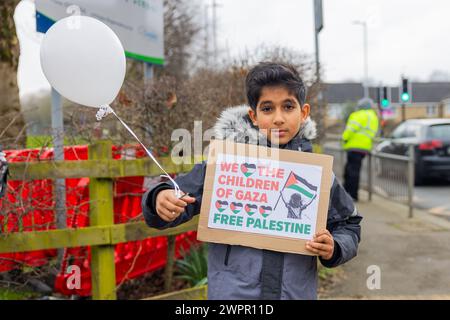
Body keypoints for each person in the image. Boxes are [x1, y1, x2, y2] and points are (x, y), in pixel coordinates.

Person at [142, 62, 362, 300]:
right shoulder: (226, 166)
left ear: (304, 112)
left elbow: (349, 225)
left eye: (288, 106)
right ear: (254, 116)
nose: (278, 118)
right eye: (267, 109)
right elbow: (178, 194)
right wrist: (159, 198)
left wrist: (334, 247)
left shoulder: (316, 174)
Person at [342, 98, 379, 201]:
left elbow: (350, 130)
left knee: (350, 172)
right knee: (355, 171)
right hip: (365, 148)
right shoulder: (373, 117)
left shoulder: (357, 115)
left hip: (353, 146)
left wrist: (344, 138)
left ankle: (350, 195)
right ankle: (352, 194)